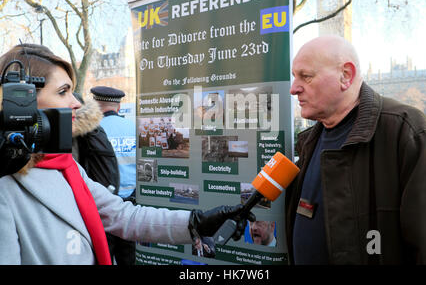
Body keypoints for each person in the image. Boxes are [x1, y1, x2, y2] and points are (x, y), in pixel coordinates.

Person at [0, 44, 253, 265]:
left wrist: (197, 221)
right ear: (20, 102)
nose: (77, 102)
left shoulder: (66, 166)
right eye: (63, 91)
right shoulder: (6, 183)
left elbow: (124, 216)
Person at [286, 35, 426, 265]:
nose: (294, 89)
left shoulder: (408, 133)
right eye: (294, 77)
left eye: (306, 77)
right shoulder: (310, 140)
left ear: (346, 75)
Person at [89, 85, 137, 265]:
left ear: (96, 105)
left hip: (103, 204)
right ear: (118, 106)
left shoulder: (93, 131)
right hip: (130, 202)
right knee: (128, 256)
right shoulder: (133, 127)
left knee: (105, 255)